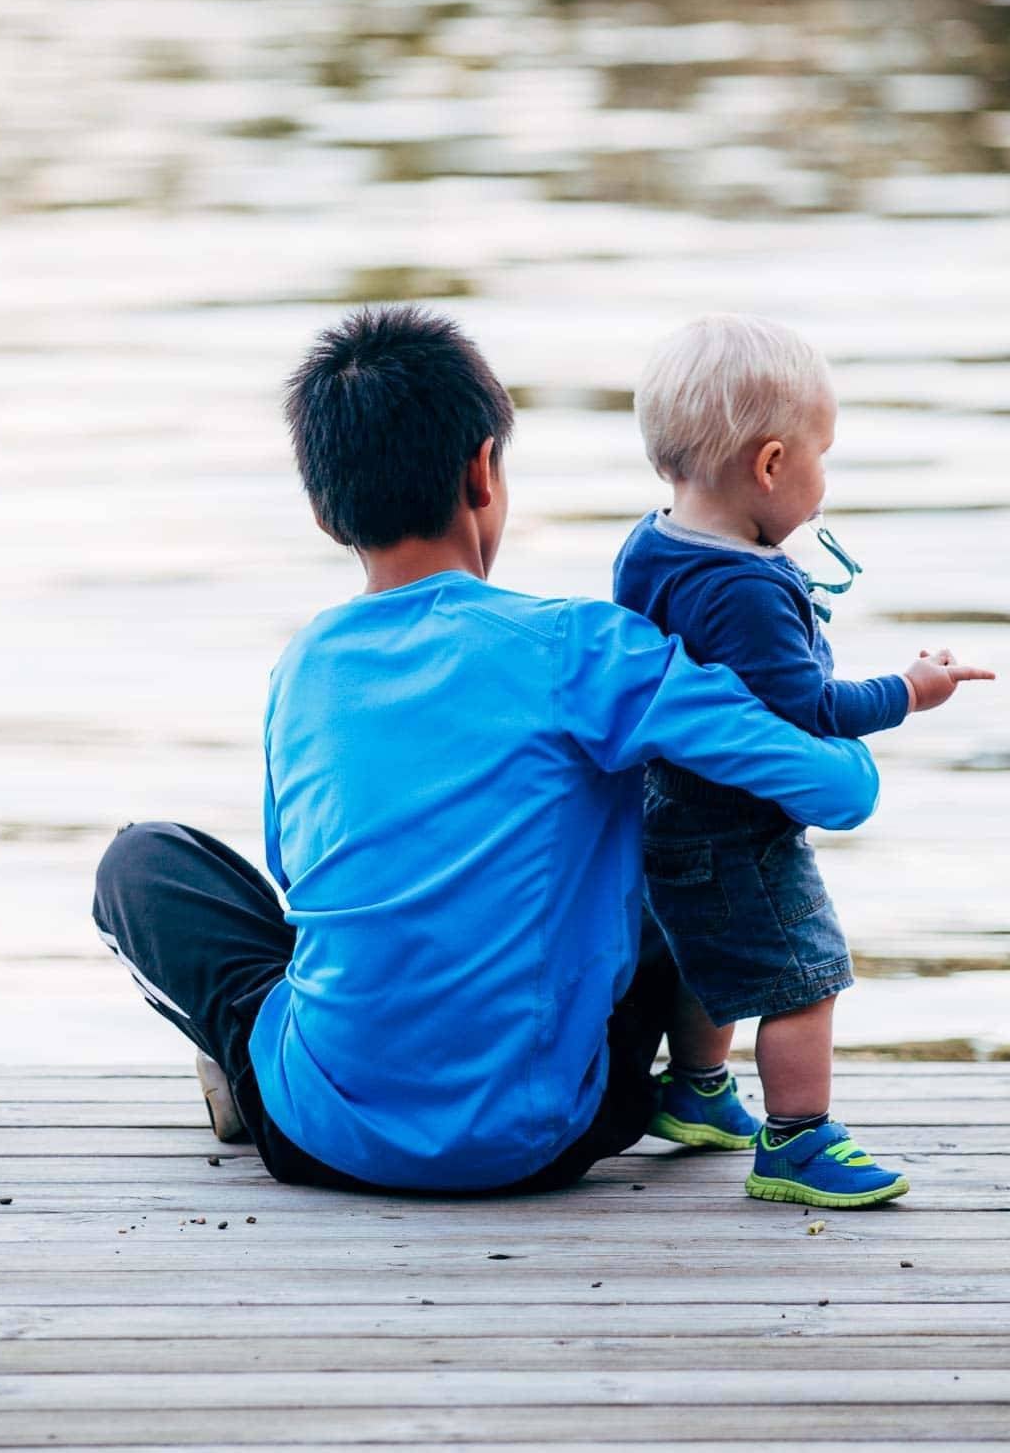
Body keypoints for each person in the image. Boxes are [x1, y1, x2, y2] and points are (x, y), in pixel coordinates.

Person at [94, 305, 883, 1196]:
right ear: (483, 472)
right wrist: (854, 751)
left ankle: (260, 1062)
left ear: (323, 513)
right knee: (669, 810)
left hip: (320, 1133)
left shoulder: (303, 666)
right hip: (552, 1133)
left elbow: (297, 878)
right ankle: (694, 1087)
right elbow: (835, 792)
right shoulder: (585, 646)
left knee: (141, 859)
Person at [615, 312, 994, 1207]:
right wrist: (907, 690)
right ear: (773, 464)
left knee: (710, 949)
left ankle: (699, 1090)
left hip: (666, 802)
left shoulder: (653, 542)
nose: (823, 485)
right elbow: (807, 712)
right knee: (802, 971)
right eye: (822, 458)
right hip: (739, 821)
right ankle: (796, 1141)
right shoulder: (745, 587)